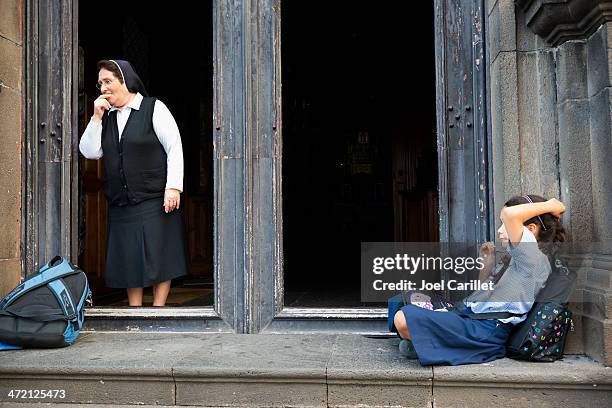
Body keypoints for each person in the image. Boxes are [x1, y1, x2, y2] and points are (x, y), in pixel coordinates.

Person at [393, 194, 566, 365]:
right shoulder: (517, 258)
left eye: (504, 225)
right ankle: (432, 344)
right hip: (472, 318)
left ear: (530, 230)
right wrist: (487, 265)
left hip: (485, 331)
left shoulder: (532, 256)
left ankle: (429, 343)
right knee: (401, 300)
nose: (499, 230)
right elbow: (485, 296)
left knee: (403, 319)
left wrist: (551, 206)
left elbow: (510, 214)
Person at [79, 59, 189, 307]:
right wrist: (96, 117)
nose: (103, 88)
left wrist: (173, 186)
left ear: (124, 80)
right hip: (122, 200)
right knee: (130, 257)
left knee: (160, 254)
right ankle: (135, 309)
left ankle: (158, 308)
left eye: (108, 81)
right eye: (100, 84)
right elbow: (89, 151)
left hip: (154, 197)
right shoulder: (106, 117)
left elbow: (174, 147)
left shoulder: (153, 108)